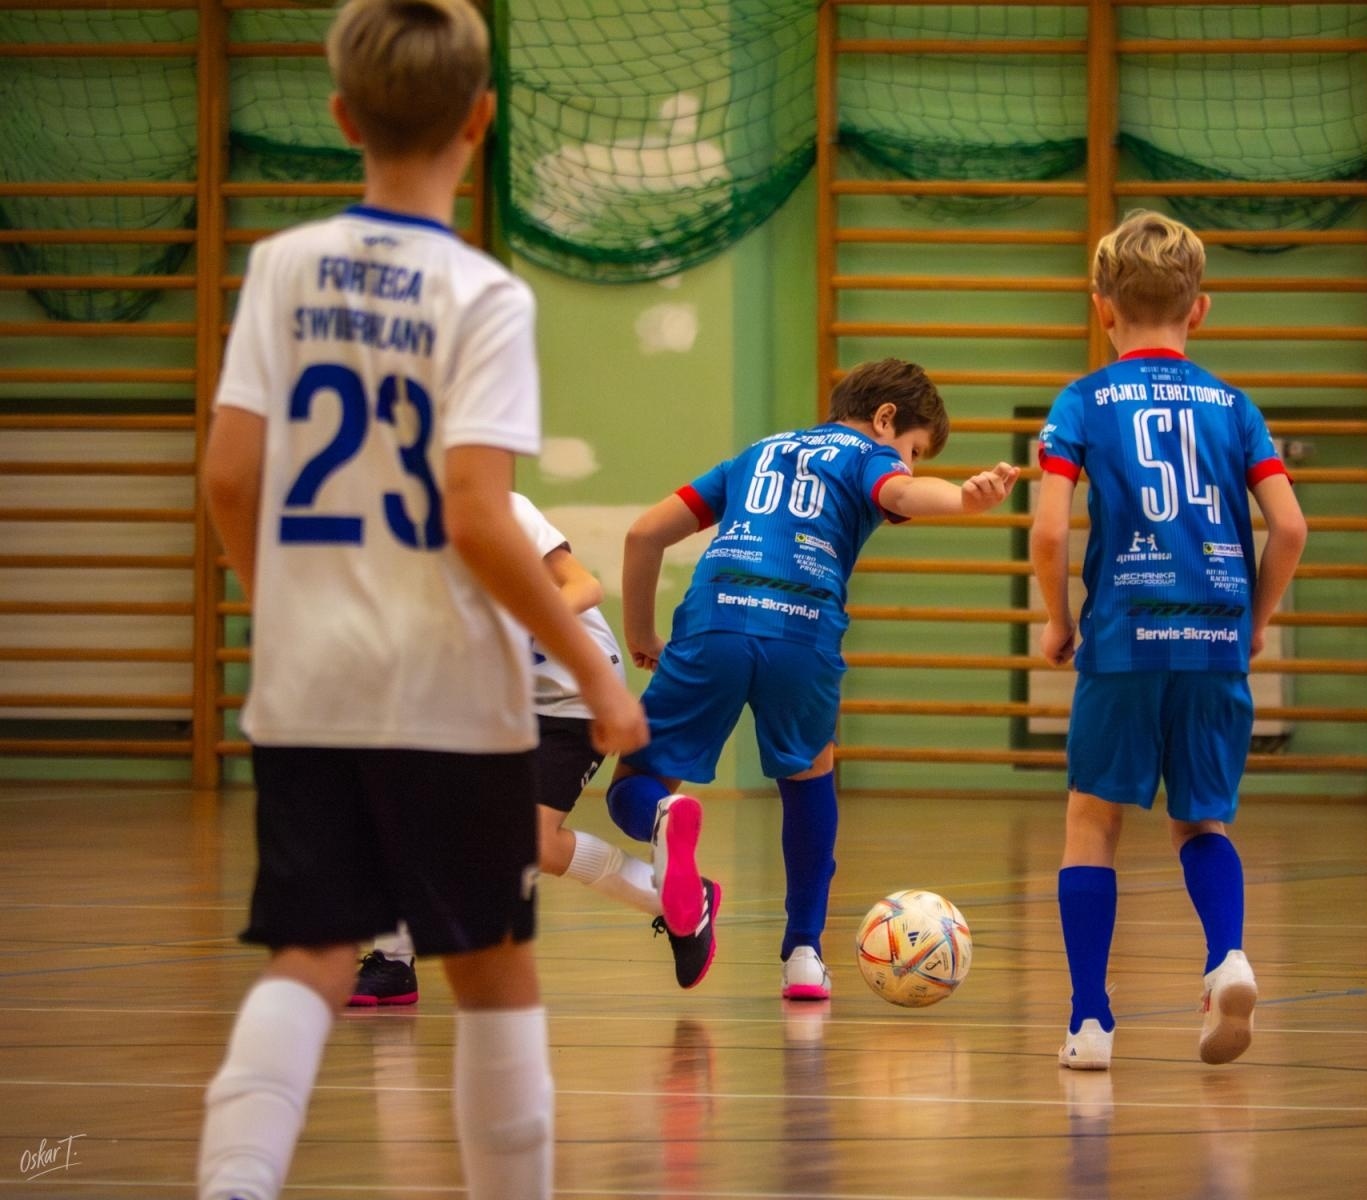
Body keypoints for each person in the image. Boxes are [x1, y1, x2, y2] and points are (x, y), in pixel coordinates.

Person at [196, 2, 647, 1197]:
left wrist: (281, 609)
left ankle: (233, 1180)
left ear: (342, 116)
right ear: (482, 122)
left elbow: (230, 476)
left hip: (310, 684)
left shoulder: (279, 268)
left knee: (310, 954)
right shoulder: (483, 295)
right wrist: (595, 669)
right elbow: (474, 510)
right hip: (449, 693)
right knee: (491, 967)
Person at [606, 357, 1020, 1000]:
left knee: (632, 786)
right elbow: (902, 494)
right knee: (808, 778)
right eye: (911, 449)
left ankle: (663, 814)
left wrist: (640, 635)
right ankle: (803, 953)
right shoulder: (865, 455)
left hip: (715, 619)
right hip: (803, 629)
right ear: (884, 421)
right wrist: (964, 498)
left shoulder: (757, 453)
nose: (907, 463)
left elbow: (643, 534)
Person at [1028, 209, 1307, 1071]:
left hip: (1125, 637)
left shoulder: (1082, 400)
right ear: (1201, 310)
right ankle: (1227, 956)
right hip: (1216, 636)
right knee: (1202, 822)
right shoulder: (1234, 406)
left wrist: (1060, 620)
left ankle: (1090, 1022)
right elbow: (1290, 528)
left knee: (1092, 821)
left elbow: (1047, 533)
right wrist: (1254, 621)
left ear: (1102, 307)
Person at [351, 493, 716, 1005]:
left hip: (572, 692)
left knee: (532, 843)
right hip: (493, 698)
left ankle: (676, 899)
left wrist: (506, 623)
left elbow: (583, 586)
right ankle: (393, 961)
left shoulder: (500, 509)